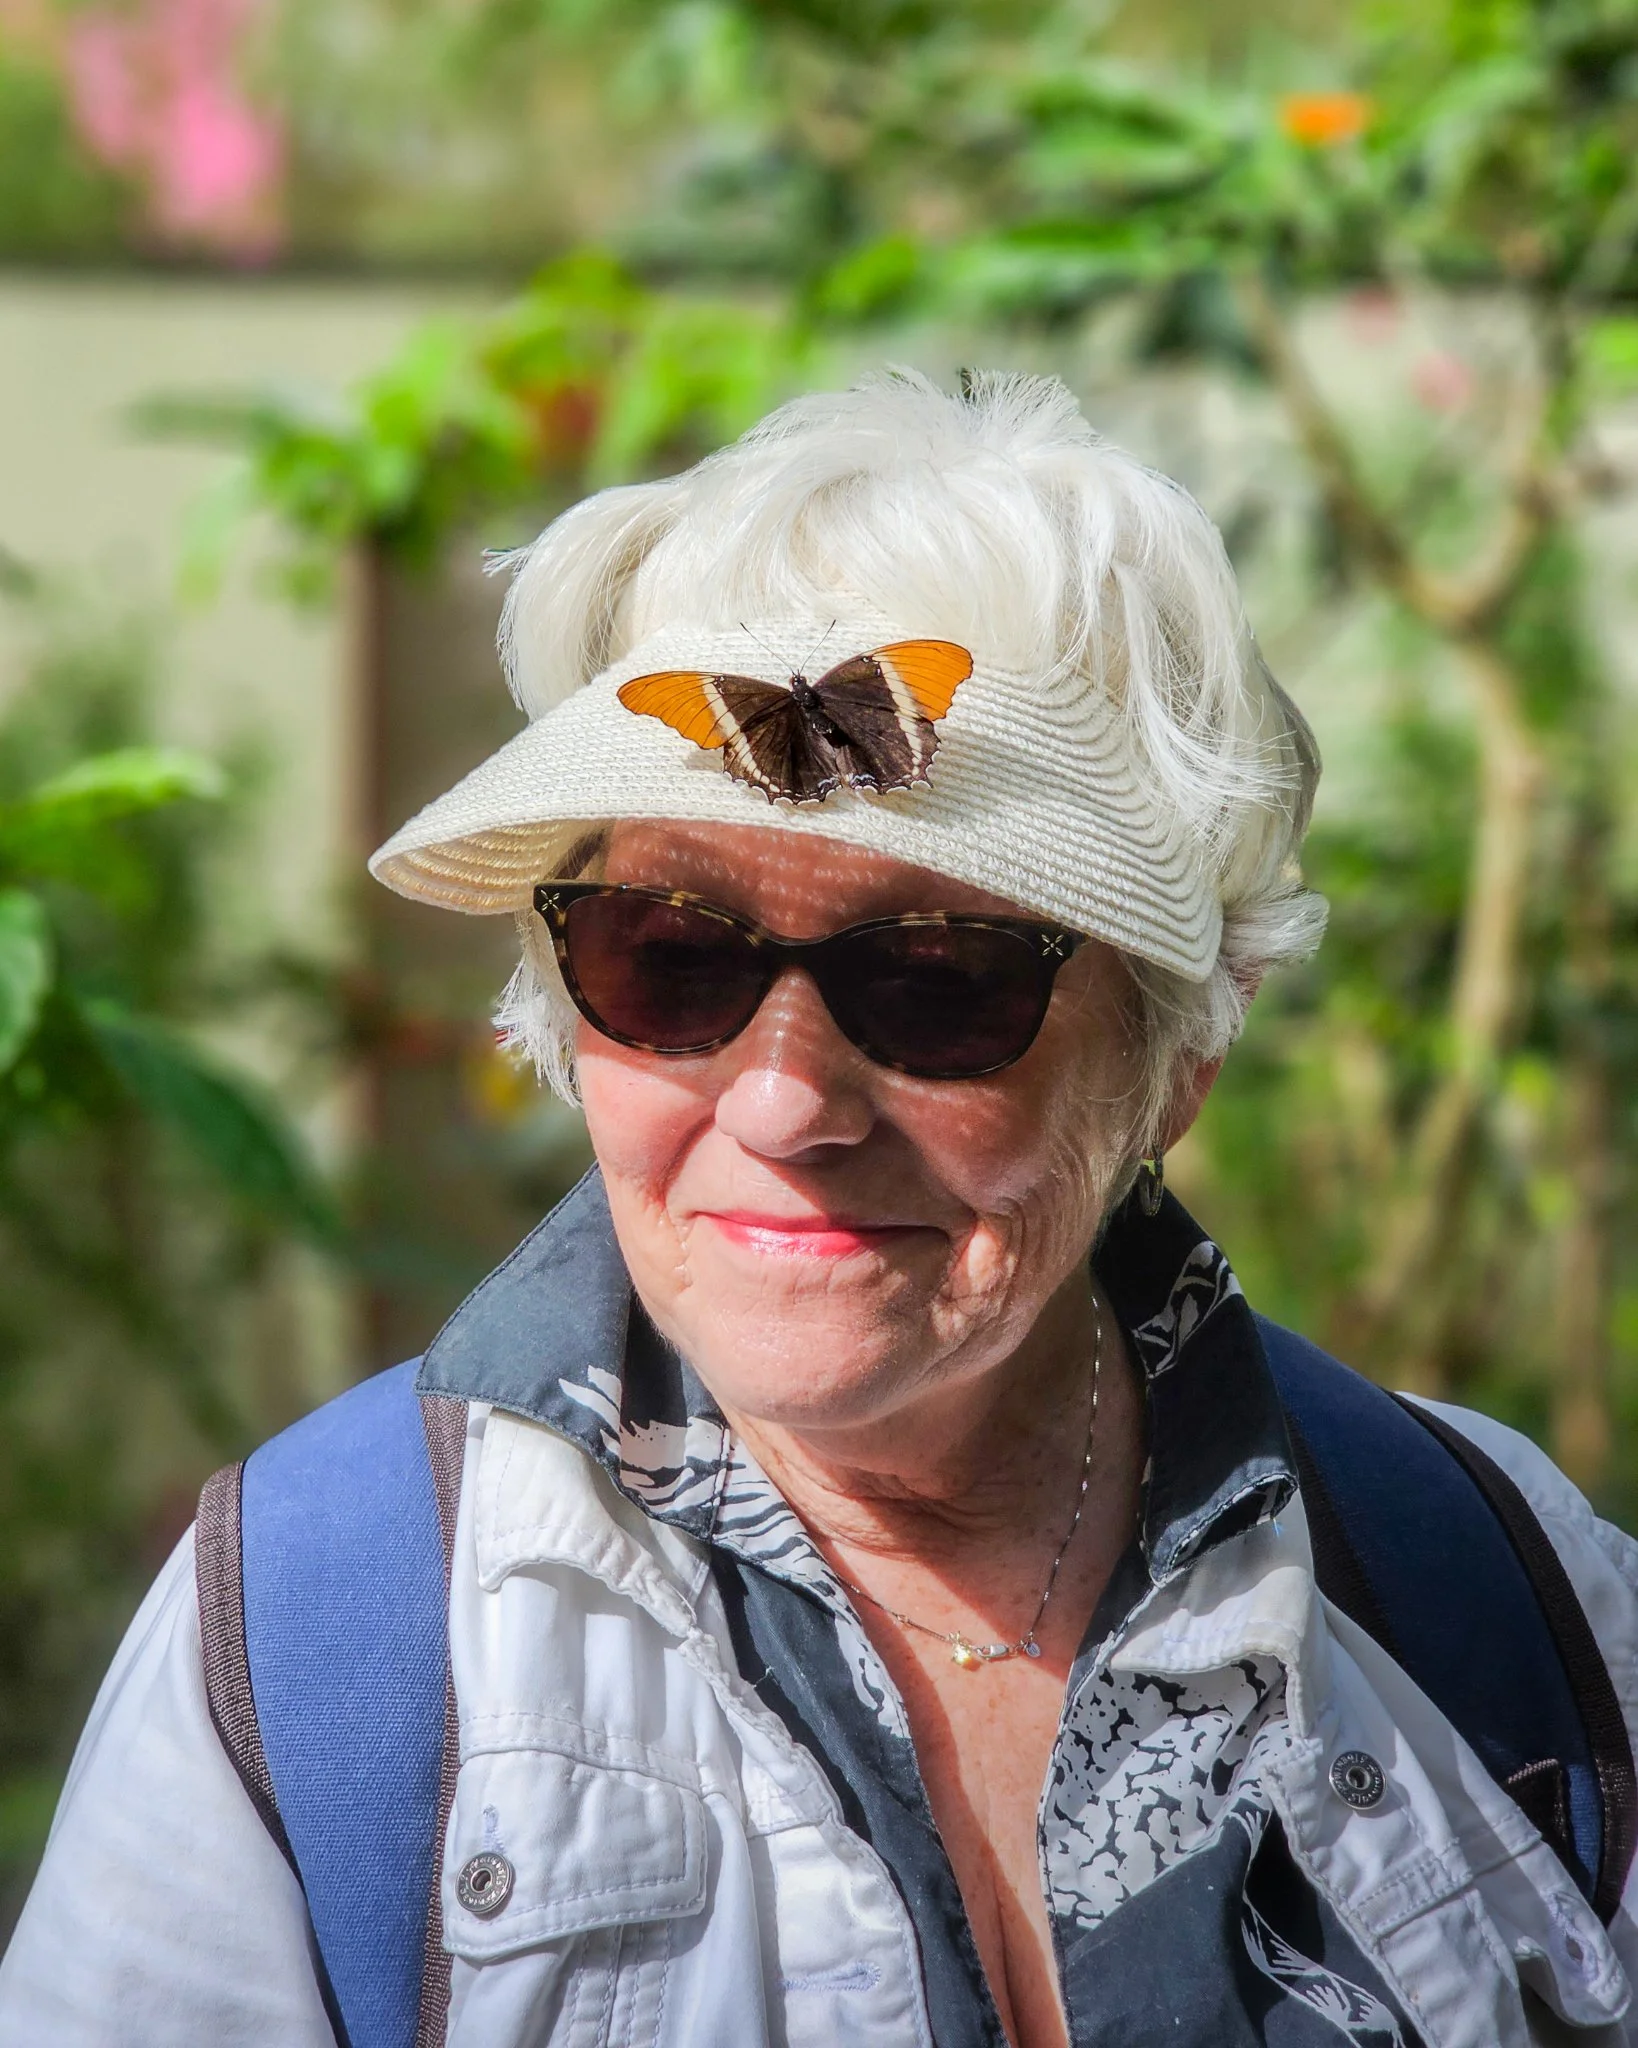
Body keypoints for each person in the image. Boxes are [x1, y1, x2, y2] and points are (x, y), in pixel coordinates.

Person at [4, 369, 1637, 2048]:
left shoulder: (1498, 1601)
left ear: (1175, 1058)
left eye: (936, 980)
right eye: (671, 954)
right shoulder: (311, 1642)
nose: (784, 1103)